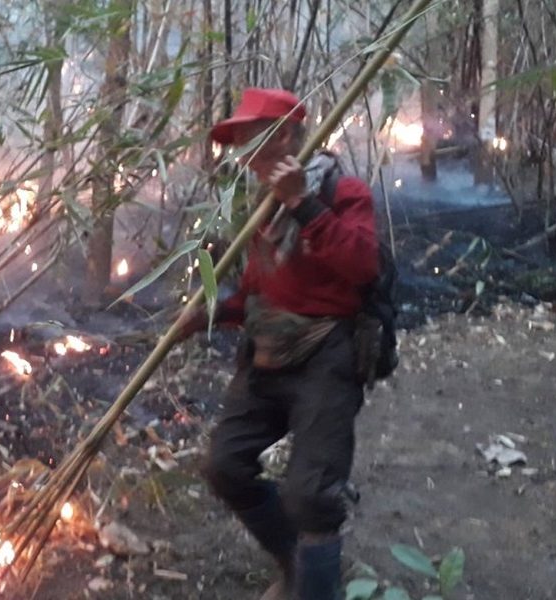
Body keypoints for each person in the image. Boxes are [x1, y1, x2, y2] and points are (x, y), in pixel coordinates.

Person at [177, 88, 379, 600]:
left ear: (286, 135)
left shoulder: (341, 191)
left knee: (311, 495)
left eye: (249, 137)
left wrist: (302, 202)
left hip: (325, 356)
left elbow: (362, 265)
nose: (241, 151)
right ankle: (296, 563)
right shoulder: (259, 210)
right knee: (225, 464)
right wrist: (212, 313)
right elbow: (255, 292)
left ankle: (314, 586)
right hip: (266, 355)